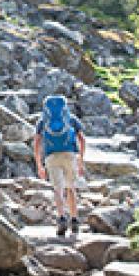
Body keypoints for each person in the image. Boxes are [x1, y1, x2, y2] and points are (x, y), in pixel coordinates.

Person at [34, 94, 86, 237]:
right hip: (69, 155)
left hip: (51, 156)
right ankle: (74, 220)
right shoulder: (71, 119)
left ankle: (62, 218)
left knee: (58, 189)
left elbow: (37, 143)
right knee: (71, 188)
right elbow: (82, 139)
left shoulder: (43, 121)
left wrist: (39, 164)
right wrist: (80, 160)